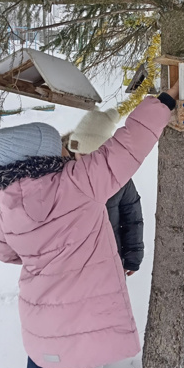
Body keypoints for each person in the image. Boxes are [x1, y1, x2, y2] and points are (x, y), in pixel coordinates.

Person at [0, 80, 184, 368]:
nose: (66, 148)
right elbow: (128, 146)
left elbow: (2, 251)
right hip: (72, 323)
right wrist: (165, 101)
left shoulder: (7, 202)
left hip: (38, 318)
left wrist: (39, 255)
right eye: (58, 145)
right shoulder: (78, 183)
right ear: (43, 156)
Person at [62, 106, 145, 277]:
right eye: (81, 154)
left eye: (92, 155)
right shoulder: (60, 174)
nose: (86, 161)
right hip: (68, 262)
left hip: (108, 257)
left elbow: (132, 218)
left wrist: (132, 255)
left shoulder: (118, 176)